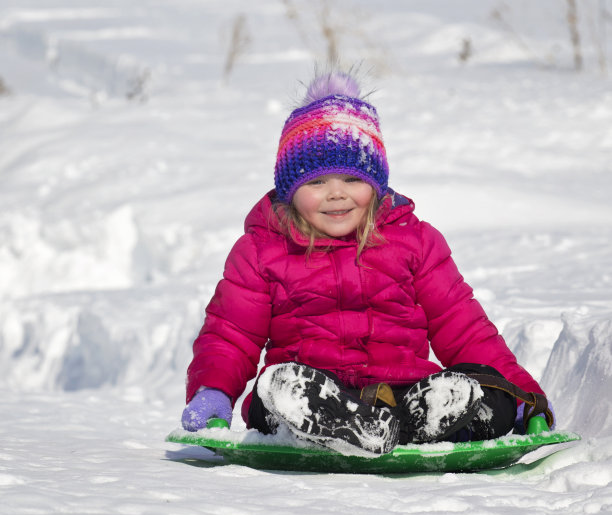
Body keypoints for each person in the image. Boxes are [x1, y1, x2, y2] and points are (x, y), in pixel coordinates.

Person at [180, 70, 554, 456]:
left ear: (375, 184)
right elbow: (231, 335)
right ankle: (353, 426)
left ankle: (413, 421)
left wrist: (522, 393)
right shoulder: (262, 251)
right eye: (316, 183)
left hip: (402, 393)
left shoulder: (415, 242)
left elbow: (463, 328)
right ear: (290, 191)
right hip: (310, 395)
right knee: (277, 387)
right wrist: (214, 391)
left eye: (350, 179)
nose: (336, 195)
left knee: (488, 390)